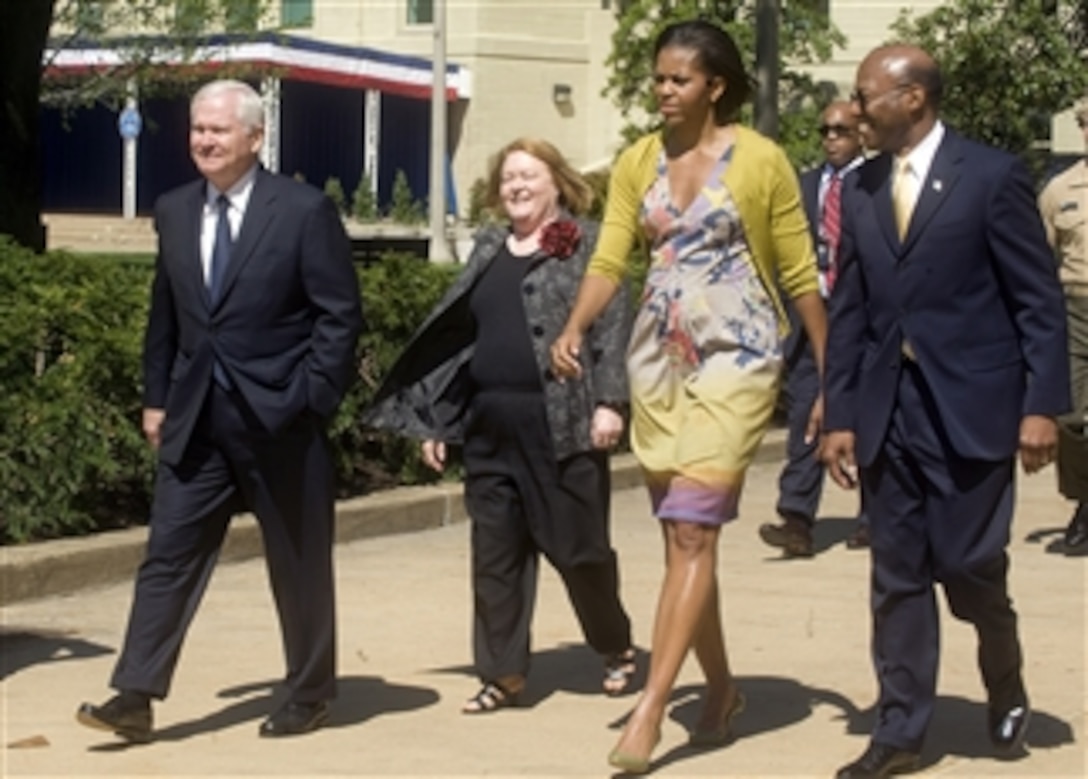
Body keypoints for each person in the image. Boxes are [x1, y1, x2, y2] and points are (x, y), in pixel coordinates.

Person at [551, 20, 827, 774]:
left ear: (715, 85)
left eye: (678, 79)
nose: (664, 90)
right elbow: (612, 254)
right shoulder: (640, 158)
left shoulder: (763, 160)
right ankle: (725, 686)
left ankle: (651, 708)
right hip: (659, 357)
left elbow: (800, 273)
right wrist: (576, 323)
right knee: (682, 538)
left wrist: (828, 376)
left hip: (739, 354)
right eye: (658, 78)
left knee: (695, 532)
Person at [76, 79, 364, 742]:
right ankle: (134, 692)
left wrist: (310, 398)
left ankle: (310, 690)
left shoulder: (302, 211)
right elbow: (166, 314)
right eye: (198, 129)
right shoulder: (175, 209)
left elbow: (339, 318)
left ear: (255, 138)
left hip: (281, 419)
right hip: (195, 415)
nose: (203, 140)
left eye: (218, 130)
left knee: (298, 561)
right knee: (168, 552)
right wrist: (156, 396)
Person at [820, 46, 1070, 778]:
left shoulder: (990, 178)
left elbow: (1037, 301)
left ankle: (1006, 676)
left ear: (915, 99)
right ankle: (899, 730)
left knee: (967, 566)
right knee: (896, 573)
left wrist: (1042, 406)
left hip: (974, 407)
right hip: (888, 413)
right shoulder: (861, 187)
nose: (856, 111)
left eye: (868, 97)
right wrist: (839, 414)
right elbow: (852, 307)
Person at [364, 138, 636, 714]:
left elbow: (612, 325)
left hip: (562, 424)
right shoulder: (489, 246)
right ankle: (503, 673)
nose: (515, 185)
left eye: (528, 175)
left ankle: (613, 643)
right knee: (495, 554)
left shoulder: (588, 244)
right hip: (490, 422)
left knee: (580, 550)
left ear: (557, 182)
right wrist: (439, 417)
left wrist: (610, 401)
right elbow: (460, 339)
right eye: (508, 176)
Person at [759, 100, 870, 558]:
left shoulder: (877, 184)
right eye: (824, 130)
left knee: (867, 417)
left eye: (841, 130)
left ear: (861, 132)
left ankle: (873, 518)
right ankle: (797, 519)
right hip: (812, 320)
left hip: (864, 318)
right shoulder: (804, 187)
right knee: (808, 416)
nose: (831, 139)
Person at [1038, 98, 1088, 551]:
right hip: (1075, 308)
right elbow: (1035, 260)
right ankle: (1083, 499)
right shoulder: (1060, 189)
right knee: (1072, 417)